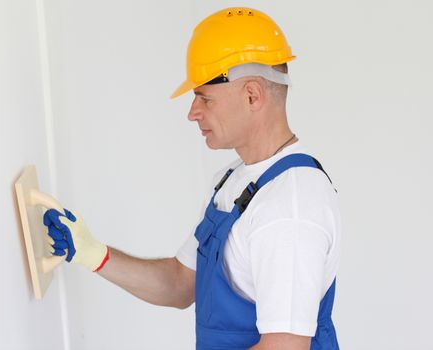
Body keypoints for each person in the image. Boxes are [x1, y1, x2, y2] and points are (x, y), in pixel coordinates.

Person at [43, 7, 341, 350]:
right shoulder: (234, 181)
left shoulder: (290, 206)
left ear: (252, 95)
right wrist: (94, 254)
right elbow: (181, 283)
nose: (192, 112)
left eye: (205, 98)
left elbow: (285, 347)